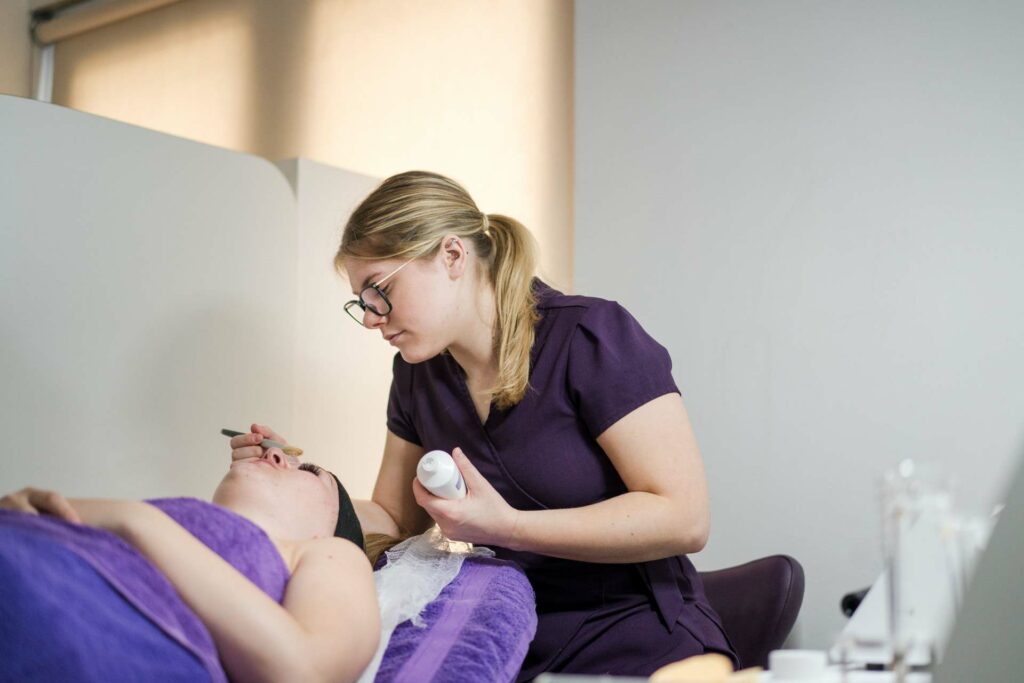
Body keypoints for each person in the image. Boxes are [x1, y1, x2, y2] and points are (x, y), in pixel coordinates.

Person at [230, 170, 738, 680]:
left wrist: (509, 527)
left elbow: (684, 518)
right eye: (362, 300)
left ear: (453, 255)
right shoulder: (417, 373)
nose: (370, 317)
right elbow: (394, 515)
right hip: (506, 635)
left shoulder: (590, 336)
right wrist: (294, 486)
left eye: (379, 290)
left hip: (634, 634)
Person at [0, 447, 379, 683]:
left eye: (308, 470)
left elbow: (305, 672)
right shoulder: (156, 520)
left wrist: (136, 520)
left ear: (326, 530)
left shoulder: (331, 554)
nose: (275, 455)